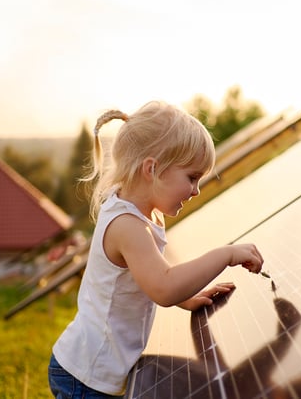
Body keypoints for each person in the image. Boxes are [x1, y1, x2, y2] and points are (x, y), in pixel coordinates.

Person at [48, 100, 265, 398]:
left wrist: (187, 298)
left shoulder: (143, 213)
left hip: (93, 369)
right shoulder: (127, 226)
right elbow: (163, 287)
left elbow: (148, 276)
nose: (196, 190)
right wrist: (225, 254)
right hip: (86, 375)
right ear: (152, 169)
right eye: (191, 177)